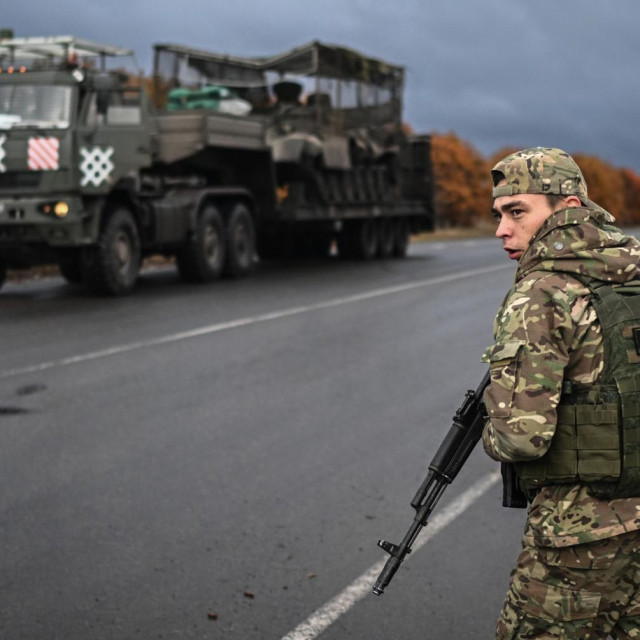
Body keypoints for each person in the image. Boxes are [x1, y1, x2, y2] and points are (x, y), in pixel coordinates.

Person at [481, 147, 640, 639]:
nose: (501, 230)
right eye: (499, 215)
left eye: (516, 211)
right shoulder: (632, 270)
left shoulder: (543, 291)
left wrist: (492, 427)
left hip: (580, 533)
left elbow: (519, 439)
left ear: (566, 206)